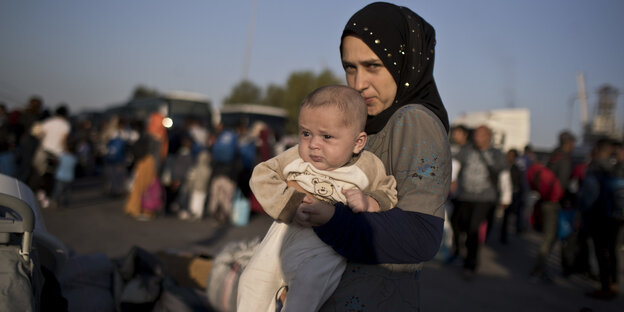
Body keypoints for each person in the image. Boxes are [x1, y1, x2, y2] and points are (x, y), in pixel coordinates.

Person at [285, 3, 451, 310]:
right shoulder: (367, 122)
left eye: (373, 66)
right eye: (350, 67)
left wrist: (333, 220)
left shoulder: (414, 120)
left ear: (406, 63)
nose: (359, 83)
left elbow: (421, 234)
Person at [237, 85, 398, 312]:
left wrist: (371, 201)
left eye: (327, 136)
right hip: (281, 237)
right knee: (252, 281)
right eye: (306, 133)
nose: (313, 144)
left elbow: (389, 190)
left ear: (358, 142)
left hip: (322, 251)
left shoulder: (368, 166)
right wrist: (289, 203)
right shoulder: (294, 156)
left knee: (306, 293)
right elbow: (262, 175)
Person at [452, 125, 506, 277]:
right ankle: (461, 251)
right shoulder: (467, 150)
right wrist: (452, 181)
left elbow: (503, 175)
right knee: (461, 224)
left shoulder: (496, 154)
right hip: (465, 195)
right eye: (476, 135)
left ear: (488, 136)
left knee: (474, 229)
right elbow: (455, 166)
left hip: (484, 198)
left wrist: (505, 197)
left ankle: (471, 263)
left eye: (481, 135)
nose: (477, 138)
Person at [578, 138, 623, 300]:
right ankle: (613, 284)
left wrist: (582, 213)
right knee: (612, 250)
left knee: (601, 251)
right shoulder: (617, 166)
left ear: (597, 150)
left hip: (599, 216)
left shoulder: (596, 167)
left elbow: (589, 196)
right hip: (615, 216)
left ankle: (605, 286)